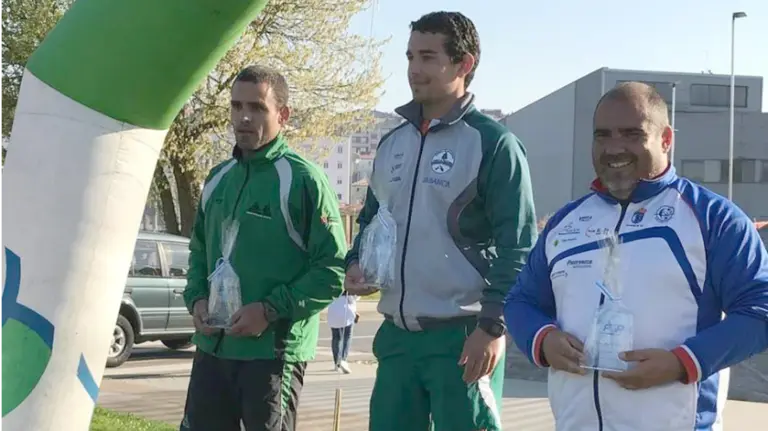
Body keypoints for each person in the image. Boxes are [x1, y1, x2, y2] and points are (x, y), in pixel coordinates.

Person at [504, 82, 768, 430]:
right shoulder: (565, 224)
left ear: (666, 139)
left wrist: (682, 362)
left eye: (631, 134)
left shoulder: (712, 219)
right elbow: (521, 301)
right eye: (603, 136)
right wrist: (543, 339)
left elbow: (759, 310)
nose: (614, 148)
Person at [344, 11, 537, 431]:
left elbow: (519, 245)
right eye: (411, 56)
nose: (414, 69)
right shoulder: (392, 143)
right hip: (396, 337)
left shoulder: (494, 144)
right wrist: (356, 262)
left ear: (463, 64)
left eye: (428, 57)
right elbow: (372, 222)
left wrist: (491, 325)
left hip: (463, 335)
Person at [179, 65, 347, 431]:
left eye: (256, 107)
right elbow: (198, 251)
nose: (243, 117)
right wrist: (196, 300)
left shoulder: (302, 180)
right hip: (212, 349)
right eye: (236, 106)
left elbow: (332, 271)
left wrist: (270, 310)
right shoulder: (219, 177)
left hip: (271, 355)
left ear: (282, 115)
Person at [326, 291, 358, 373]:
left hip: (333, 309)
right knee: (347, 336)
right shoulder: (350, 282)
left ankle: (337, 362)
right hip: (346, 309)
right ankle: (343, 359)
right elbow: (354, 297)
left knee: (336, 337)